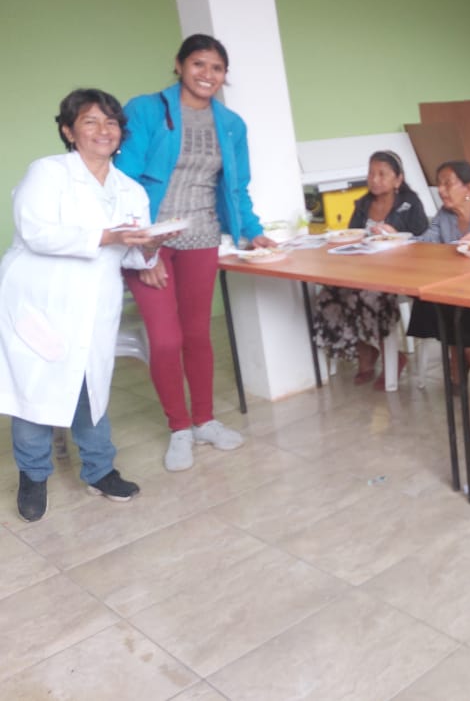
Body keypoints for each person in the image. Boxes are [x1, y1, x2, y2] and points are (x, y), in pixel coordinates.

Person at [1, 90, 167, 521]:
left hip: (94, 303)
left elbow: (132, 256)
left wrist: (151, 247)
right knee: (34, 390)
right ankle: (33, 476)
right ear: (68, 131)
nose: (103, 130)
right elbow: (35, 232)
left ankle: (99, 470)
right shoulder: (48, 172)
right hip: (40, 298)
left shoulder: (130, 189)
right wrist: (108, 236)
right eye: (90, 121)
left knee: (90, 386)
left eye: (111, 122)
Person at [118, 34, 278, 473]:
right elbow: (122, 184)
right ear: (179, 65)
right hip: (150, 242)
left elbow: (236, 188)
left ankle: (204, 420)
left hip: (201, 237)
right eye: (198, 64)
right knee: (165, 339)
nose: (207, 74)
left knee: (197, 335)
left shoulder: (232, 124)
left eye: (217, 68)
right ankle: (179, 428)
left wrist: (253, 232)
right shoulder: (146, 110)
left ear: (224, 75)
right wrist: (144, 253)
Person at [313, 150, 430, 387]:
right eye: (371, 173)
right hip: (364, 269)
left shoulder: (410, 205)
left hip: (399, 272)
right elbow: (352, 234)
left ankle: (390, 355)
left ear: (398, 179)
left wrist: (396, 235)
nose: (374, 179)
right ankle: (365, 351)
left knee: (367, 294)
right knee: (330, 293)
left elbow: (425, 243)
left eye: (382, 174)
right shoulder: (363, 204)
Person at [406, 160, 470, 383]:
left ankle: (462, 356)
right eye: (439, 184)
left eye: (447, 184)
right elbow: (427, 240)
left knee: (457, 298)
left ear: (469, 188)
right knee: (428, 294)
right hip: (451, 280)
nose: (441, 190)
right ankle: (465, 351)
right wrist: (402, 240)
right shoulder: (444, 215)